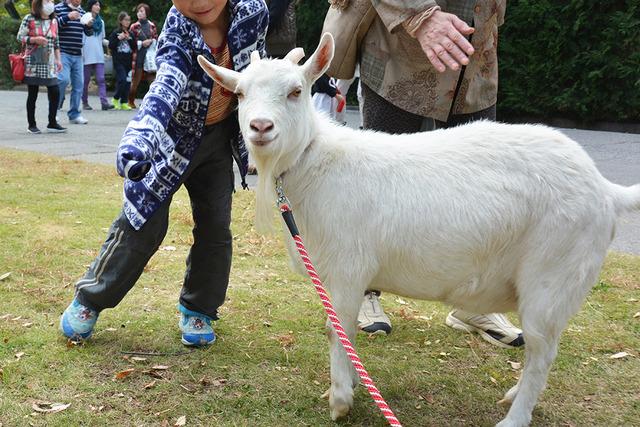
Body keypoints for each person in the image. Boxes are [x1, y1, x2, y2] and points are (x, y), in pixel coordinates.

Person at [59, 0, 268, 346]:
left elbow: (258, 70)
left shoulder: (252, 13)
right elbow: (164, 89)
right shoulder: (177, 27)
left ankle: (199, 308)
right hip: (170, 141)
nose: (199, 2)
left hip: (219, 139)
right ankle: (89, 299)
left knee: (216, 226)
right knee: (142, 224)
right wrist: (140, 139)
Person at [348, 0, 524, 349]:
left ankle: (475, 303)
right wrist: (420, 15)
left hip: (476, 57)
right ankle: (358, 291)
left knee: (479, 193)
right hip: (398, 56)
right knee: (380, 185)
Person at [16, 0, 66, 134]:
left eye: (51, 0)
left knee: (55, 91)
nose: (50, 2)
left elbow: (56, 43)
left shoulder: (54, 21)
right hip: (33, 62)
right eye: (47, 0)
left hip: (49, 63)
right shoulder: (29, 18)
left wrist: (58, 60)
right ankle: (31, 124)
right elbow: (20, 36)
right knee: (33, 93)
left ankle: (52, 123)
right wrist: (34, 39)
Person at [55, 0, 91, 124]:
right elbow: (53, 26)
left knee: (79, 84)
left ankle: (74, 114)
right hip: (63, 52)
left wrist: (89, 26)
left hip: (77, 53)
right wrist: (67, 17)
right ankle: (54, 110)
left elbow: (88, 33)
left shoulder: (82, 12)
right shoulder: (58, 8)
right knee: (63, 80)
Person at [81, 0, 113, 111]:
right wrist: (81, 53)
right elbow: (82, 38)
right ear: (91, 6)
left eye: (99, 5)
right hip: (87, 54)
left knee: (101, 79)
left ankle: (104, 103)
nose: (98, 6)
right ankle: (84, 102)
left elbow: (101, 38)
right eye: (95, 4)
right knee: (85, 80)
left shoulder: (101, 22)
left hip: (99, 54)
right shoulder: (84, 20)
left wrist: (109, 42)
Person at [126, 3, 158, 109]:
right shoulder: (134, 26)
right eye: (138, 11)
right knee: (136, 80)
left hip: (149, 57)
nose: (139, 13)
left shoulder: (152, 25)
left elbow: (156, 39)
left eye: (142, 11)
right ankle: (130, 101)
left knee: (152, 81)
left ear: (146, 13)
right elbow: (130, 42)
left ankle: (150, 102)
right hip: (138, 56)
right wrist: (141, 43)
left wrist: (151, 41)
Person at [108, 11, 134, 110]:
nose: (128, 22)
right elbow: (111, 45)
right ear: (121, 21)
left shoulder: (130, 33)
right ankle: (115, 99)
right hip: (118, 60)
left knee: (127, 82)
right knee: (122, 79)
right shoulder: (116, 32)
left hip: (128, 60)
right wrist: (119, 38)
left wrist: (129, 39)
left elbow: (135, 47)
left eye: (129, 20)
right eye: (125, 20)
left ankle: (124, 102)